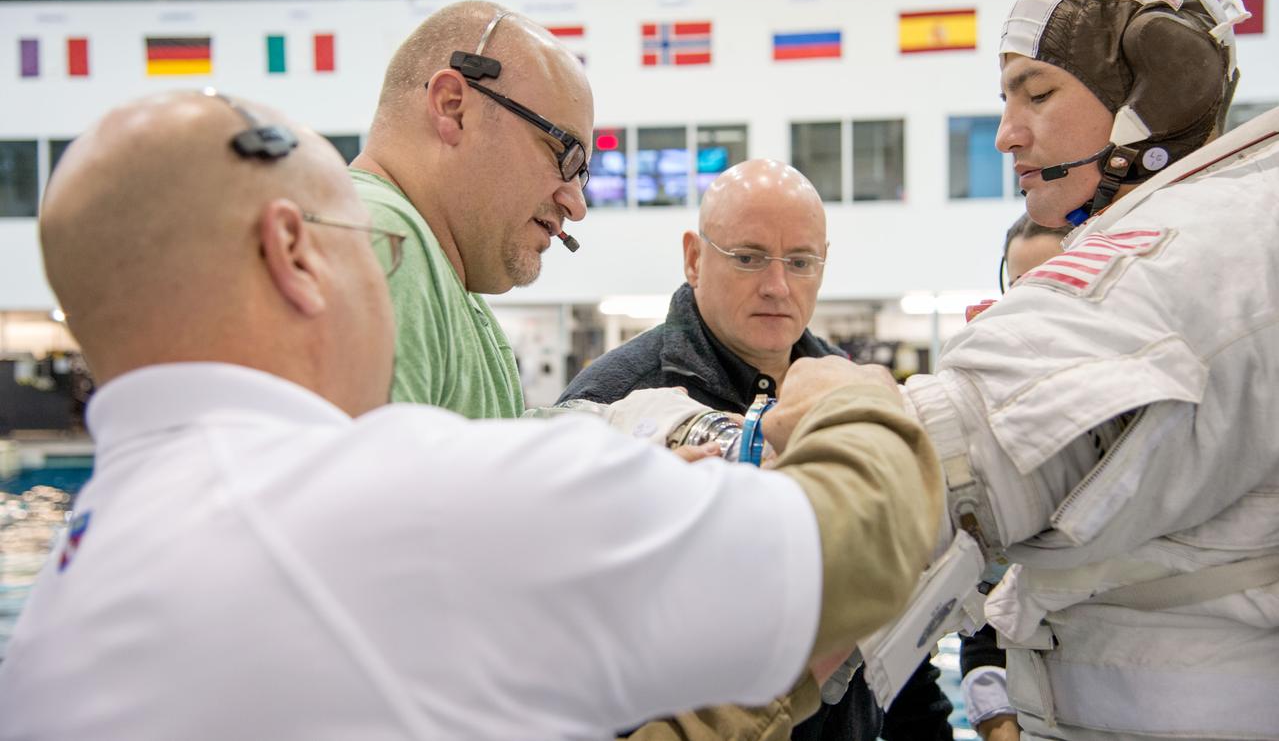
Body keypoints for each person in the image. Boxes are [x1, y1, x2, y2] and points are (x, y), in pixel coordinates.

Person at [0, 90, 943, 741]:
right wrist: (845, 396)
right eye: (371, 245)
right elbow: (859, 542)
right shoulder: (401, 493)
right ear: (293, 251)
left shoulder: (63, 607)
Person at [899, 0, 1279, 739]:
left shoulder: (1203, 244)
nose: (1008, 132)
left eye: (1037, 94)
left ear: (1156, 88)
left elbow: (963, 452)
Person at [561, 160, 953, 741]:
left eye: (799, 261)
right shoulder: (612, 402)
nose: (777, 286)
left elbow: (895, 621)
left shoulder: (854, 395)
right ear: (694, 258)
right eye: (747, 258)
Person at [350, 0, 591, 417]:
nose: (576, 204)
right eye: (563, 153)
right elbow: (378, 477)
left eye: (581, 174)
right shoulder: (383, 239)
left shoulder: (441, 273)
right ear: (453, 107)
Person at [959, 214, 1070, 741]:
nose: (1028, 305)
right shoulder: (985, 386)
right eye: (1018, 287)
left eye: (1046, 285)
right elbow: (982, 585)